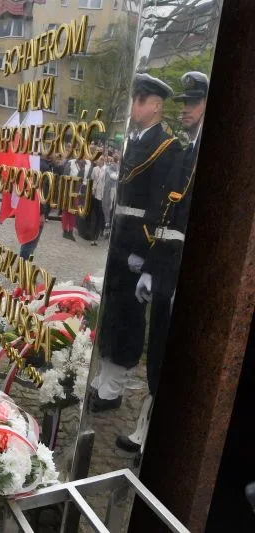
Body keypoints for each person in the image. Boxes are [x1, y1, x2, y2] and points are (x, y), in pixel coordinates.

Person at [116, 71, 209, 454]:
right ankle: (147, 426)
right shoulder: (186, 152)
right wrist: (153, 268)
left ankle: (154, 430)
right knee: (157, 349)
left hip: (183, 266)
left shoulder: (192, 153)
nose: (185, 108)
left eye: (193, 102)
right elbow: (165, 219)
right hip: (167, 263)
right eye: (184, 102)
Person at [90, 73, 181, 412]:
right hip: (120, 238)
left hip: (138, 242)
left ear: (156, 106)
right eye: (134, 98)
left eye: (141, 100)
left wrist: (145, 252)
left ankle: (113, 389)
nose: (135, 105)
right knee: (111, 308)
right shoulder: (134, 141)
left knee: (128, 314)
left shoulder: (167, 147)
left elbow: (161, 207)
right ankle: (104, 376)